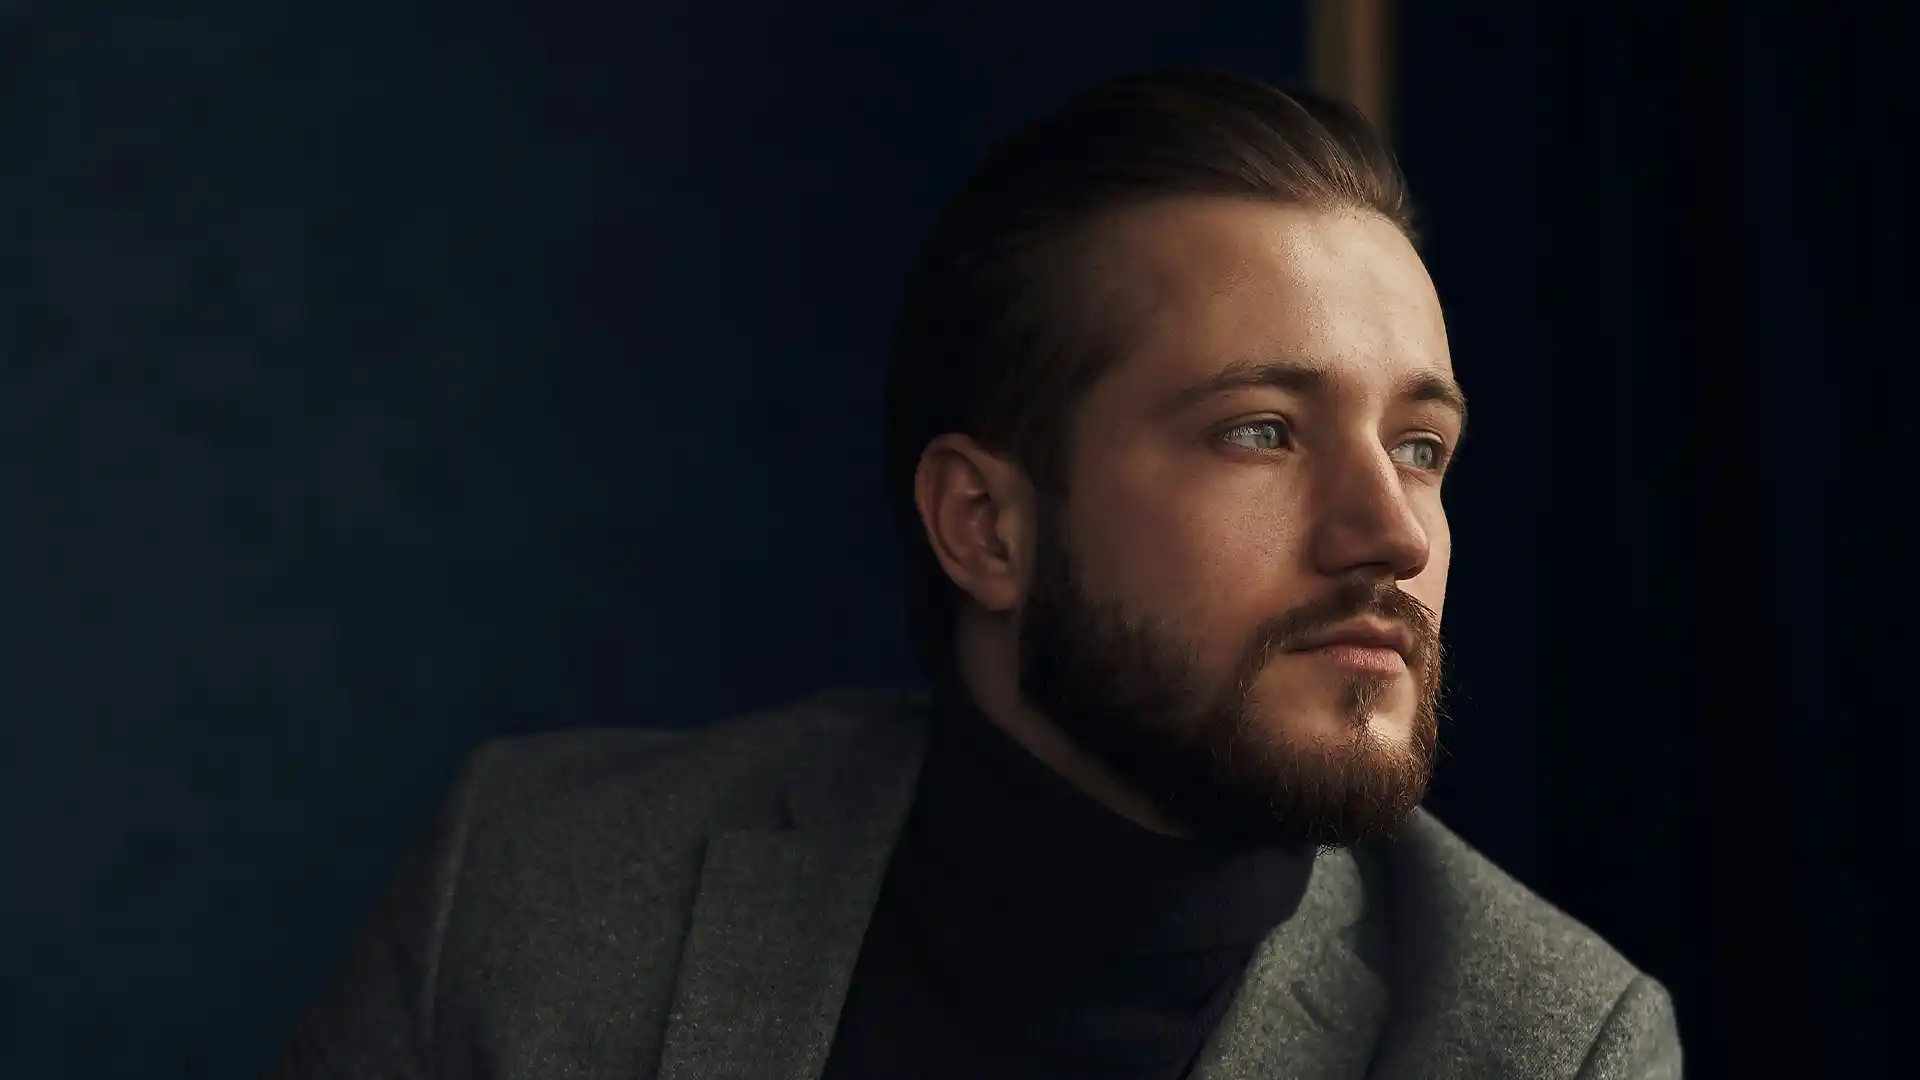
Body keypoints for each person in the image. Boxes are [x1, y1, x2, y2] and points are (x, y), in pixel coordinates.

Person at [267, 70, 1681, 1080]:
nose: (1395, 535)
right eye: (1261, 431)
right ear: (985, 527)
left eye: (1421, 448)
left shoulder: (1547, 1044)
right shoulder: (536, 883)